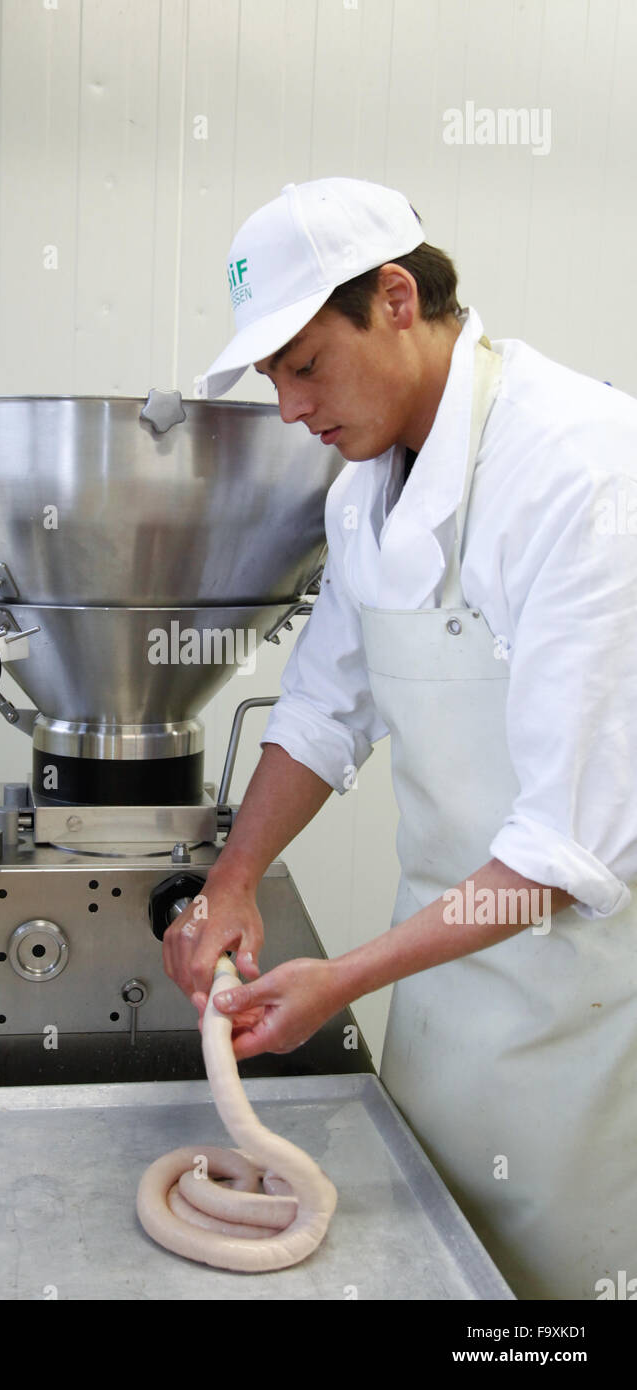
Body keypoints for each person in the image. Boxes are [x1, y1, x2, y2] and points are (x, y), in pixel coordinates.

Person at [162, 177, 637, 1300]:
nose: (288, 409)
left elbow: (562, 849)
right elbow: (324, 712)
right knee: (448, 1272)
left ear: (392, 298)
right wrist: (235, 880)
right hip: (444, 993)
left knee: (555, 1294)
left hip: (585, 1018)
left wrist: (343, 978)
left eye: (302, 364)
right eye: (273, 376)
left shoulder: (584, 471)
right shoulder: (363, 485)